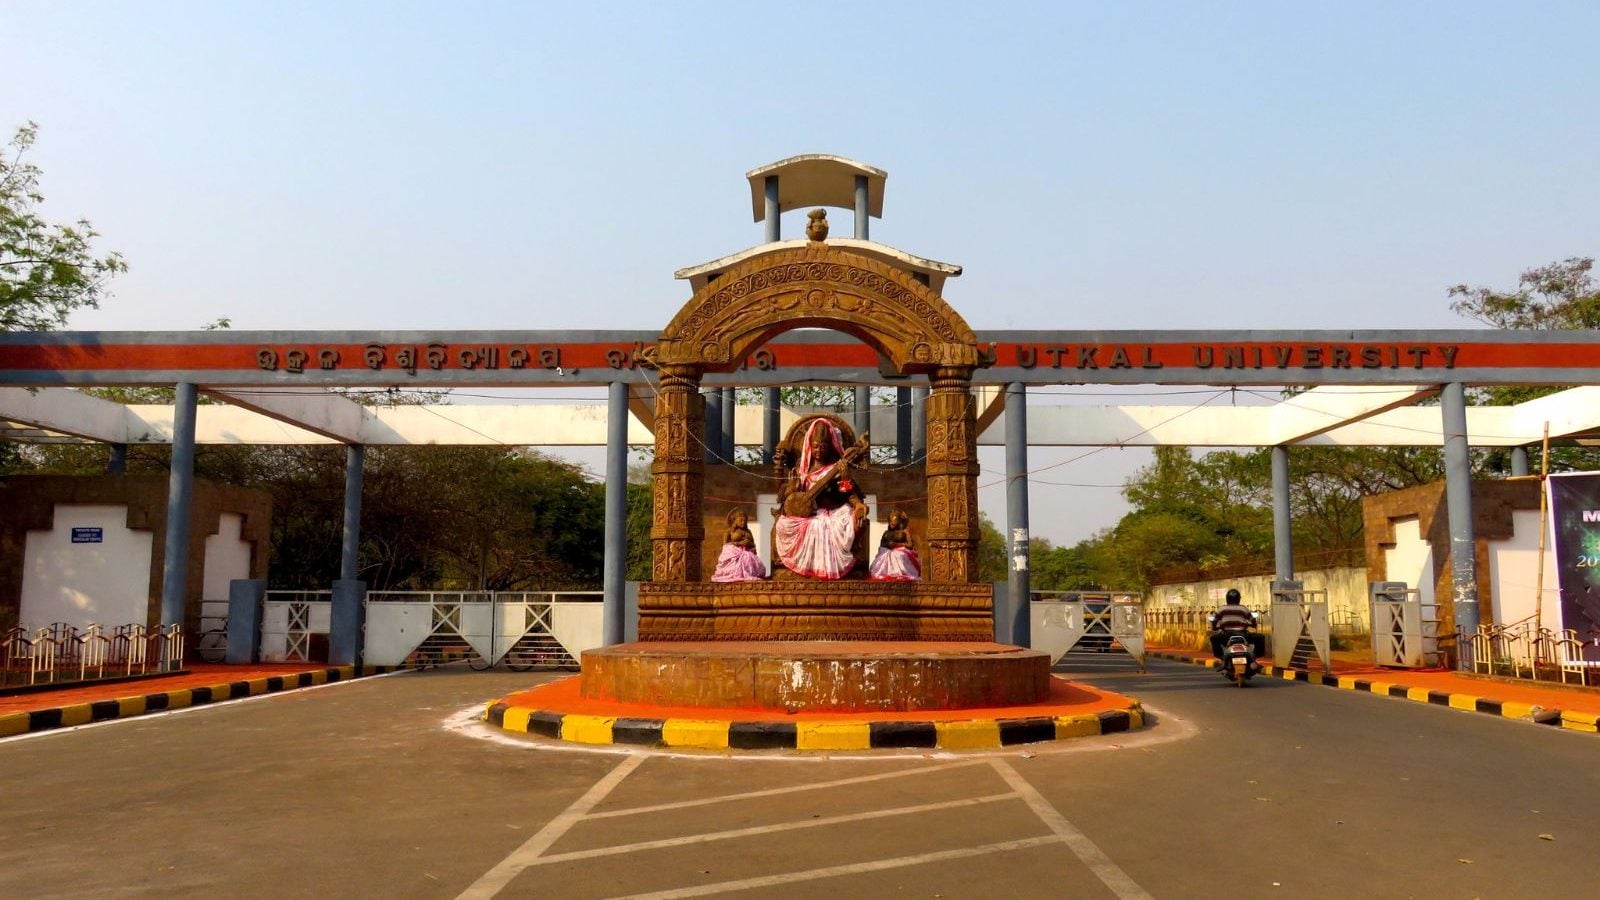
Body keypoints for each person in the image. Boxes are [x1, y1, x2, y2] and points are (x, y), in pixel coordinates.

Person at [772, 417, 869, 579]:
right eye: (815, 446)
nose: (819, 450)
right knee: (783, 524)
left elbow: (847, 493)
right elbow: (785, 496)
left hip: (832, 513)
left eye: (823, 447)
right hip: (807, 516)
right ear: (810, 445)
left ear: (830, 447)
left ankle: (832, 568)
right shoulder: (802, 469)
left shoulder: (835, 468)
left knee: (843, 522)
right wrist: (780, 471)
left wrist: (853, 493)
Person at [1208, 588, 1266, 660]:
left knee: (1213, 638)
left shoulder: (1221, 609)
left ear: (1227, 598)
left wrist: (1215, 627)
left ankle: (1221, 657)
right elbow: (1252, 620)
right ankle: (1255, 656)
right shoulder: (1243, 609)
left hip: (1226, 636)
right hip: (1243, 635)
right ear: (1238, 598)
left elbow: (1214, 620)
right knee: (1260, 637)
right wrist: (1253, 624)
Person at [711, 508, 766, 582]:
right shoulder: (729, 532)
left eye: (745, 520)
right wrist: (738, 544)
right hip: (734, 556)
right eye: (741, 520)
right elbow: (725, 546)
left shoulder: (748, 531)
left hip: (748, 556)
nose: (743, 522)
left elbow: (753, 546)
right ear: (735, 520)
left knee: (754, 564)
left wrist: (749, 544)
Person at [868, 510, 922, 581]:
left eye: (893, 523)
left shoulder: (905, 532)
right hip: (887, 551)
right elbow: (881, 545)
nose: (891, 524)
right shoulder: (886, 533)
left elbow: (910, 545)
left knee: (898, 555)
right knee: (883, 556)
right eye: (890, 522)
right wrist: (888, 545)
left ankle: (899, 573)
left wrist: (897, 544)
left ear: (899, 522)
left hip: (901, 551)